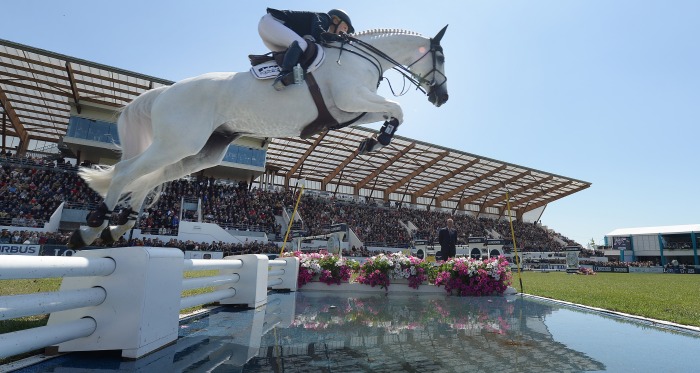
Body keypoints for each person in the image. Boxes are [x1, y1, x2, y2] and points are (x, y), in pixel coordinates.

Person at [258, 8, 355, 91]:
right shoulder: (324, 17)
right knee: (302, 44)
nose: (345, 32)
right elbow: (319, 34)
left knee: (298, 53)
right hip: (271, 21)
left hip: (270, 31)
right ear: (335, 20)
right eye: (345, 27)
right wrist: (339, 38)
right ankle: (283, 75)